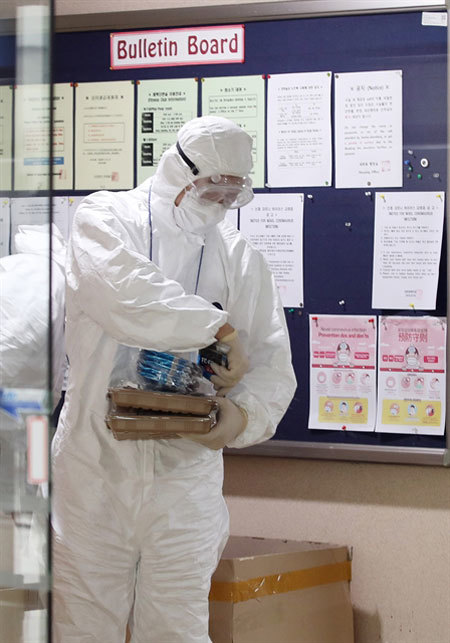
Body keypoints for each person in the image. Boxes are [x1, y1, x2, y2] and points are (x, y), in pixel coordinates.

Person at [52, 115, 297, 643]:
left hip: (184, 483)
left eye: (235, 192)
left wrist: (241, 417)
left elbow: (275, 363)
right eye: (213, 186)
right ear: (178, 170)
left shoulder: (238, 257)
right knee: (84, 627)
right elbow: (126, 296)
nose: (222, 200)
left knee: (178, 628)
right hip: (96, 471)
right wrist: (218, 327)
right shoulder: (105, 219)